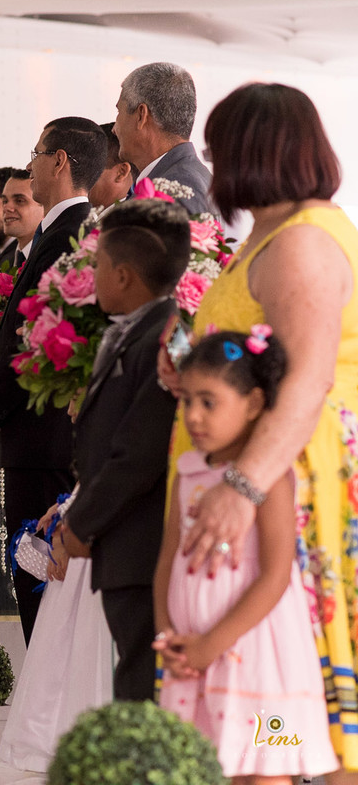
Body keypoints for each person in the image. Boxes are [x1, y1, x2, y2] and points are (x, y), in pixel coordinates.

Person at [158, 83, 358, 776]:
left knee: (312, 686)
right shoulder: (276, 231)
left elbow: (305, 380)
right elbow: (260, 355)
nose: (212, 163)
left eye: (218, 148)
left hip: (293, 482)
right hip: (260, 474)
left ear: (251, 153)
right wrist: (193, 361)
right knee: (266, 706)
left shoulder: (303, 240)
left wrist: (243, 485)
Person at [156, 331, 337, 782]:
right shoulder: (187, 474)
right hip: (191, 656)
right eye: (187, 402)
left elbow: (276, 576)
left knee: (264, 770)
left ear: (254, 404)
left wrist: (210, 645)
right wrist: (167, 635)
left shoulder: (268, 480)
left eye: (209, 402)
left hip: (257, 657)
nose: (194, 416)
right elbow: (166, 563)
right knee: (207, 767)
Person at [0, 116, 107, 644]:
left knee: (41, 573)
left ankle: (47, 700)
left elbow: (32, 337)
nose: (29, 163)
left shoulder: (70, 232)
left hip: (43, 430)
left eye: (35, 152)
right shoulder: (60, 231)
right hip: (38, 432)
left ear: (59, 161)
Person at [55, 200, 188, 701]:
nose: (92, 277)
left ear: (126, 275)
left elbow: (140, 451)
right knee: (133, 668)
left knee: (143, 680)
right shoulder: (137, 329)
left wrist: (81, 523)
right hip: (124, 537)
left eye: (98, 267)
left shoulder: (168, 338)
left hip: (145, 541)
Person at [112, 62, 214, 215]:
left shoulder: (174, 189)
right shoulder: (189, 177)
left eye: (119, 112)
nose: (114, 128)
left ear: (141, 115)